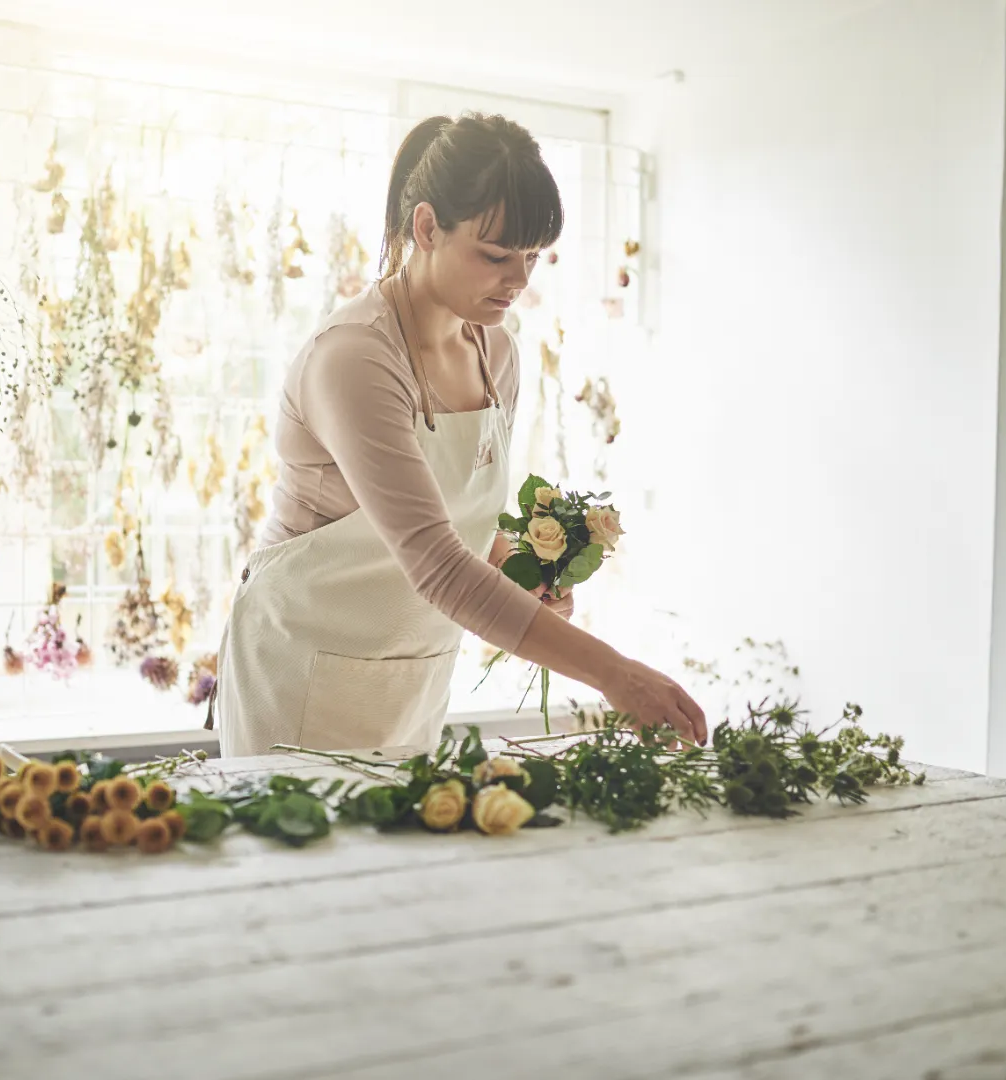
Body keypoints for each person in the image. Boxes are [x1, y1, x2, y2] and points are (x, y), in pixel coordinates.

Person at [209, 112, 705, 757]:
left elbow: (455, 520)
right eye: (496, 255)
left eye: (531, 257)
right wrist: (614, 672)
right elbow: (438, 564)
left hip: (411, 674)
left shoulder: (496, 353)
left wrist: (515, 568)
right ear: (426, 228)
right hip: (301, 666)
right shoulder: (355, 358)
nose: (519, 280)